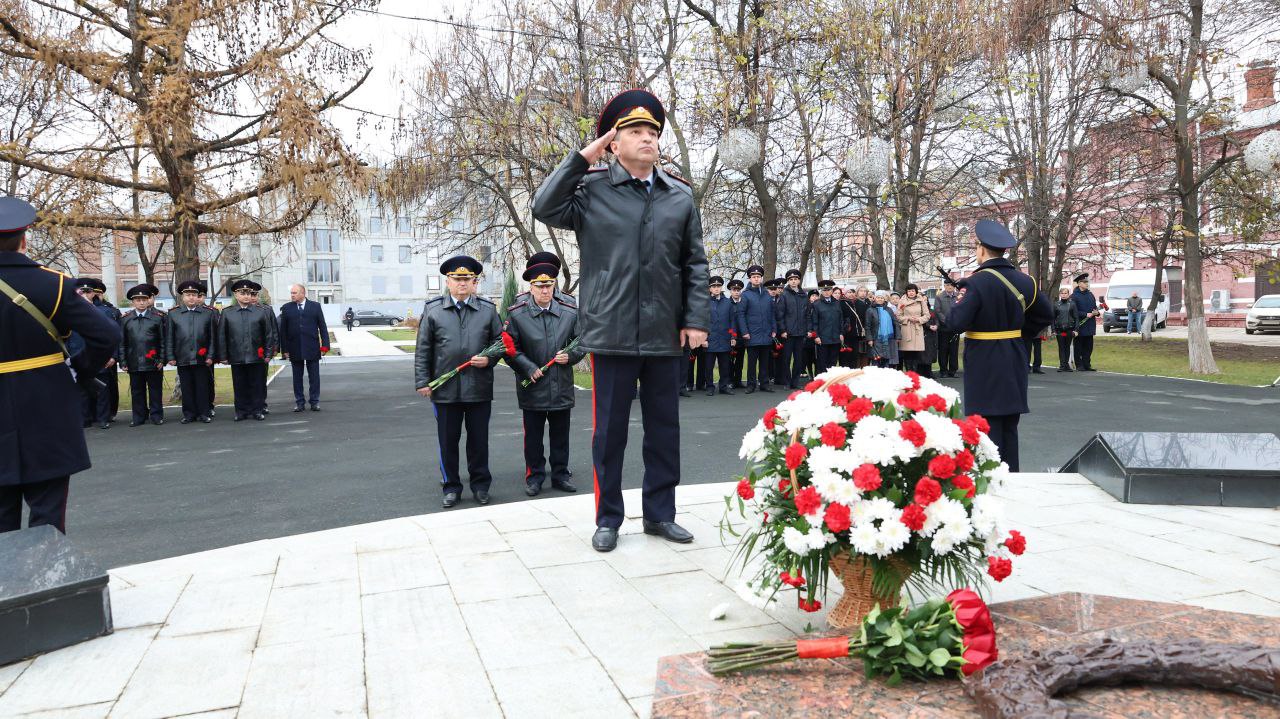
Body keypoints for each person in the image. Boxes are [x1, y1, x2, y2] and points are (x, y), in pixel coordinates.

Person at [532, 88, 708, 553]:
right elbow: (543, 206)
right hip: (610, 331)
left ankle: (660, 515)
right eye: (635, 131)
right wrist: (584, 156)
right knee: (609, 434)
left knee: (664, 431)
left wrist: (696, 319)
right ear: (614, 142)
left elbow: (695, 264)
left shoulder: (679, 196)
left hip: (664, 333)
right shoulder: (591, 191)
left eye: (653, 131)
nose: (648, 138)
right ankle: (608, 518)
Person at [1, 197, 121, 533]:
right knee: (48, 518)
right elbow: (107, 335)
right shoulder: (53, 284)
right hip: (47, 407)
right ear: (24, 240)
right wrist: (82, 369)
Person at [943, 219, 1053, 472]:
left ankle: (989, 481)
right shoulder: (1026, 281)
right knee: (1009, 425)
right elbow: (1045, 315)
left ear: (981, 249)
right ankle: (1012, 477)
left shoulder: (975, 282)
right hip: (1014, 355)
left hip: (984, 359)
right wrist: (1017, 336)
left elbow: (955, 323)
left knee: (984, 425)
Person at [415, 255, 502, 508]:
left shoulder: (487, 310)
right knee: (448, 441)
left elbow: (500, 343)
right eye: (457, 279)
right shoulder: (433, 310)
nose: (462, 283)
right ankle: (451, 486)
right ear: (448, 282)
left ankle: (480, 486)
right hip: (445, 389)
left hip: (478, 387)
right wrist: (423, 381)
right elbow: (423, 349)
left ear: (474, 282)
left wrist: (489, 360)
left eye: (467, 279)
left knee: (478, 441)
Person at [504, 261, 585, 496]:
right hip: (533, 386)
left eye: (549, 285)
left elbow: (581, 341)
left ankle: (560, 475)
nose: (544, 290)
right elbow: (509, 349)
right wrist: (528, 367)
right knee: (533, 438)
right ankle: (535, 477)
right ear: (531, 287)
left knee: (561, 436)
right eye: (539, 286)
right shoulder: (517, 314)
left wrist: (570, 356)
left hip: (561, 384)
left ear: (554, 286)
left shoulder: (569, 312)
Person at [220, 279, 275, 421]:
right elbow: (222, 336)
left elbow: (268, 334)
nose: (246, 296)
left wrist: (268, 353)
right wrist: (223, 355)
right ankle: (241, 411)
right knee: (239, 385)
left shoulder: (260, 312)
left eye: (248, 293)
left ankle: (257, 410)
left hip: (256, 355)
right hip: (236, 355)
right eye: (242, 293)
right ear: (236, 295)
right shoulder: (227, 313)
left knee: (256, 385)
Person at [165, 280, 219, 423]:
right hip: (182, 357)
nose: (191, 298)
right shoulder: (174, 314)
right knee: (186, 387)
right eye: (188, 295)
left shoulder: (207, 313)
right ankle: (189, 414)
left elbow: (212, 337)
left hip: (202, 358)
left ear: (198, 297)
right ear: (182, 297)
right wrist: (170, 356)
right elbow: (170, 337)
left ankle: (203, 413)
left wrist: (210, 356)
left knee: (202, 387)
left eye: (194, 295)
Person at [74, 278, 121, 429]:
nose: (84, 294)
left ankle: (103, 418)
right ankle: (85, 419)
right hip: (79, 356)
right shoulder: (71, 311)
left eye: (88, 291)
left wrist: (112, 356)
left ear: (93, 293)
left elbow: (113, 335)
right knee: (82, 391)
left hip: (100, 356)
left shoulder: (105, 312)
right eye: (82, 291)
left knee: (102, 390)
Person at [119, 283, 167, 426]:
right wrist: (123, 361)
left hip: (153, 361)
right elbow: (122, 342)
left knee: (155, 391)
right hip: (134, 361)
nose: (141, 302)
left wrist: (161, 359)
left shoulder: (157, 318)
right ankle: (138, 417)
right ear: (133, 302)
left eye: (144, 299)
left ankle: (156, 416)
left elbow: (163, 341)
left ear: (148, 301)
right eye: (138, 300)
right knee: (137, 391)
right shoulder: (126, 319)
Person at [279, 283, 330, 412]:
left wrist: (325, 345)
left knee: (314, 377)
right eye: (291, 293)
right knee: (297, 378)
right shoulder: (287, 308)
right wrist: (284, 350)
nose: (292, 295)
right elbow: (283, 331)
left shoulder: (315, 306)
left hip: (312, 347)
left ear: (303, 293)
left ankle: (314, 402)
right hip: (294, 347)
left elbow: (322, 326)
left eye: (294, 293)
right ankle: (300, 402)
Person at [736, 265, 775, 393]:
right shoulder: (745, 295)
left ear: (761, 278)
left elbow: (772, 313)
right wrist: (744, 332)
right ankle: (751, 385)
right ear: (750, 278)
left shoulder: (767, 294)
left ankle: (764, 384)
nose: (756, 279)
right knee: (752, 363)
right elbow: (740, 314)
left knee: (765, 362)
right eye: (754, 277)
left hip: (766, 333)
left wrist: (774, 329)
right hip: (751, 335)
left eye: (758, 276)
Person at [703, 276, 736, 395]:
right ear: (710, 288)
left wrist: (733, 337)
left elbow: (732, 322)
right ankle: (710, 387)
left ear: (721, 287)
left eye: (718, 286)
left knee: (725, 366)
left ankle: (723, 387)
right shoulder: (705, 303)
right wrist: (704, 338)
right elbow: (702, 322)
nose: (716, 288)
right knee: (708, 366)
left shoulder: (728, 303)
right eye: (713, 286)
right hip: (710, 340)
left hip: (724, 339)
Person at [778, 269, 808, 388]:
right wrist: (783, 330)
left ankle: (795, 382)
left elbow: (807, 314)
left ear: (799, 280)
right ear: (788, 281)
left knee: (798, 359)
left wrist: (807, 329)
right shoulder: (784, 295)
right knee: (786, 359)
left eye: (795, 279)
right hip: (788, 333)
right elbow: (780, 314)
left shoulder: (804, 295)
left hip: (800, 333)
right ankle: (787, 381)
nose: (793, 281)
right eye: (791, 279)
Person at [810, 280, 844, 374]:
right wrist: (816, 336)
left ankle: (830, 380)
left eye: (828, 290)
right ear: (821, 291)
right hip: (822, 339)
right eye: (824, 290)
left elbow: (840, 320)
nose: (826, 292)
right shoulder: (816, 304)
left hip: (835, 338)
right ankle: (821, 380)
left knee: (833, 362)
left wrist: (841, 333)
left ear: (832, 290)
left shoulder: (837, 303)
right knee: (822, 362)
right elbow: (814, 322)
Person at [897, 284, 929, 374]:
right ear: (906, 292)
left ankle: (914, 373)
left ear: (916, 292)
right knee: (907, 353)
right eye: (909, 291)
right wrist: (908, 319)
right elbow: (898, 316)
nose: (911, 293)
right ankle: (908, 373)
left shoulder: (921, 301)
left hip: (917, 328)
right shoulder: (902, 301)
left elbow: (927, 315)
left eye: (912, 291)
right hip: (906, 328)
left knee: (916, 353)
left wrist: (919, 319)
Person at [1070, 273, 1098, 371]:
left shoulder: (1090, 294)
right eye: (1084, 282)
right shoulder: (1074, 296)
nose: (1087, 283)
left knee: (1089, 347)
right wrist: (1085, 314)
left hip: (1090, 325)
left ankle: (1087, 364)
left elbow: (1094, 307)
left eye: (1087, 282)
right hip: (1080, 325)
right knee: (1078, 346)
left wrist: (1096, 312)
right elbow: (1073, 311)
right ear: (1079, 283)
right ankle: (1079, 365)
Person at [934, 277, 960, 377]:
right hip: (943, 328)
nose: (950, 287)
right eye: (948, 285)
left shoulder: (958, 296)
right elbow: (937, 311)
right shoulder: (939, 297)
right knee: (943, 350)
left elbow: (961, 309)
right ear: (944, 286)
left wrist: (957, 322)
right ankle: (943, 371)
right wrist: (947, 321)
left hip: (955, 328)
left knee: (954, 350)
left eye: (952, 285)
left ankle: (953, 371)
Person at [865, 290, 897, 368]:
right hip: (876, 338)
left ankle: (885, 374)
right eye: (878, 297)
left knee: (886, 360)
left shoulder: (889, 310)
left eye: (882, 298)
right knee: (876, 360)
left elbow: (895, 323)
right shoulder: (870, 310)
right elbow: (867, 326)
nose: (880, 299)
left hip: (888, 339)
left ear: (884, 299)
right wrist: (869, 339)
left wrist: (898, 336)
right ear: (875, 298)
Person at [1052, 286, 1079, 372]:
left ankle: (1066, 365)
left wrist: (1076, 330)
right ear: (1060, 294)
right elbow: (1053, 318)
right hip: (1059, 330)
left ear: (1068, 294)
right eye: (1062, 293)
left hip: (1069, 330)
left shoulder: (1072, 304)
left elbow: (1076, 318)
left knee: (1067, 347)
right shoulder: (1056, 304)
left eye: (1065, 293)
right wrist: (1053, 330)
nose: (1064, 295)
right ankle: (1062, 365)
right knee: (1061, 347)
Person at [766, 278, 786, 387]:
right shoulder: (764, 299)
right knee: (768, 356)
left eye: (775, 289)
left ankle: (779, 377)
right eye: (771, 289)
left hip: (780, 331)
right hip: (767, 332)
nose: (774, 291)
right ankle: (769, 376)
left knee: (780, 355)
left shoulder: (782, 299)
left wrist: (783, 330)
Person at [727, 278, 746, 388]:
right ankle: (730, 380)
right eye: (734, 290)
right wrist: (732, 336)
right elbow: (728, 323)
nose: (736, 292)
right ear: (730, 291)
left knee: (740, 360)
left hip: (742, 337)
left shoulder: (743, 303)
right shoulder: (727, 303)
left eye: (738, 290)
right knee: (730, 361)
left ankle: (738, 380)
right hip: (731, 336)